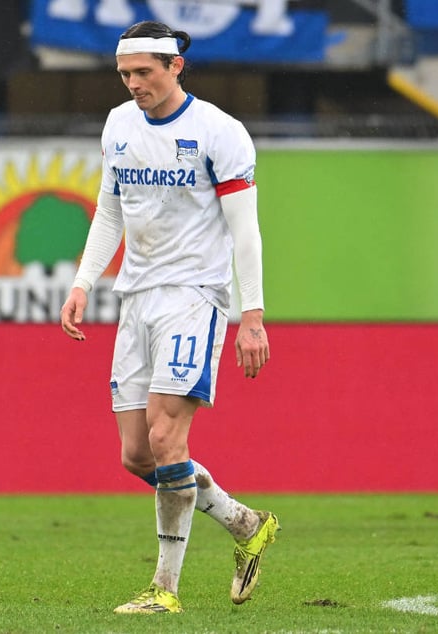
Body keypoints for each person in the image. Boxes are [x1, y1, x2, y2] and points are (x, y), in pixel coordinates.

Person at [59, 20, 278, 614]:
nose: (133, 85)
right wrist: (82, 283)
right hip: (137, 298)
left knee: (165, 435)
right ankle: (243, 523)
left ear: (176, 66)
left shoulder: (219, 132)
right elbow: (110, 212)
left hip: (194, 294)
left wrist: (251, 316)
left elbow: (245, 231)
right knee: (137, 455)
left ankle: (165, 590)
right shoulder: (118, 126)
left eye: (144, 73)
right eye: (125, 74)